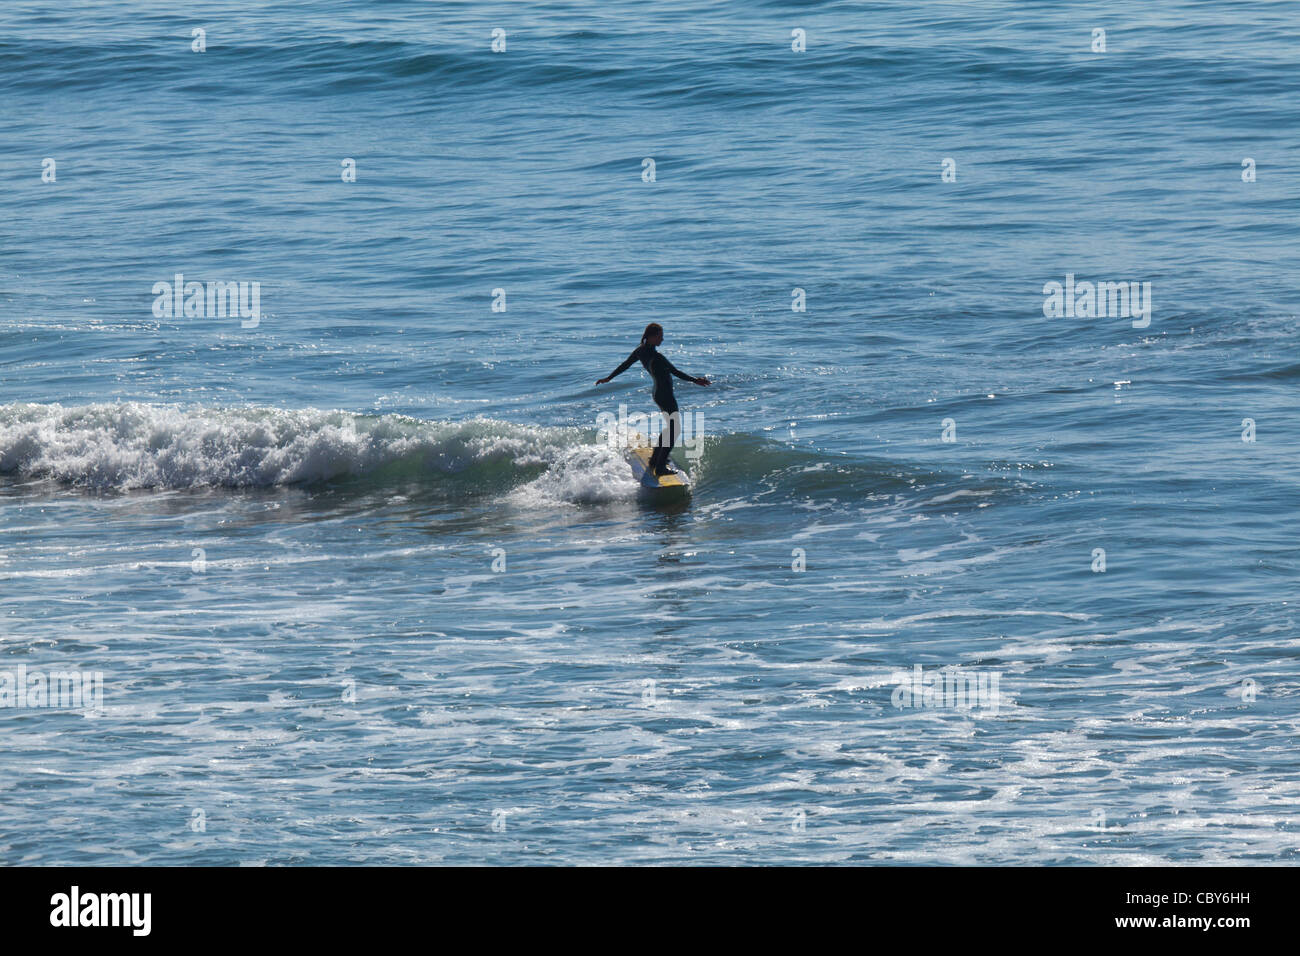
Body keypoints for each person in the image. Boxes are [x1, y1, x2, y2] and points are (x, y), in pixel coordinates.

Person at [596, 322, 710, 475]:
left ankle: (656, 459)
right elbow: (676, 372)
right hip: (665, 395)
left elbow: (625, 365)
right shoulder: (658, 357)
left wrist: (608, 378)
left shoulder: (640, 351)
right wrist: (695, 380)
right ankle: (660, 466)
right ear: (651, 337)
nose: (662, 340)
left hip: (658, 394)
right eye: (660, 337)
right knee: (674, 429)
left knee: (671, 427)